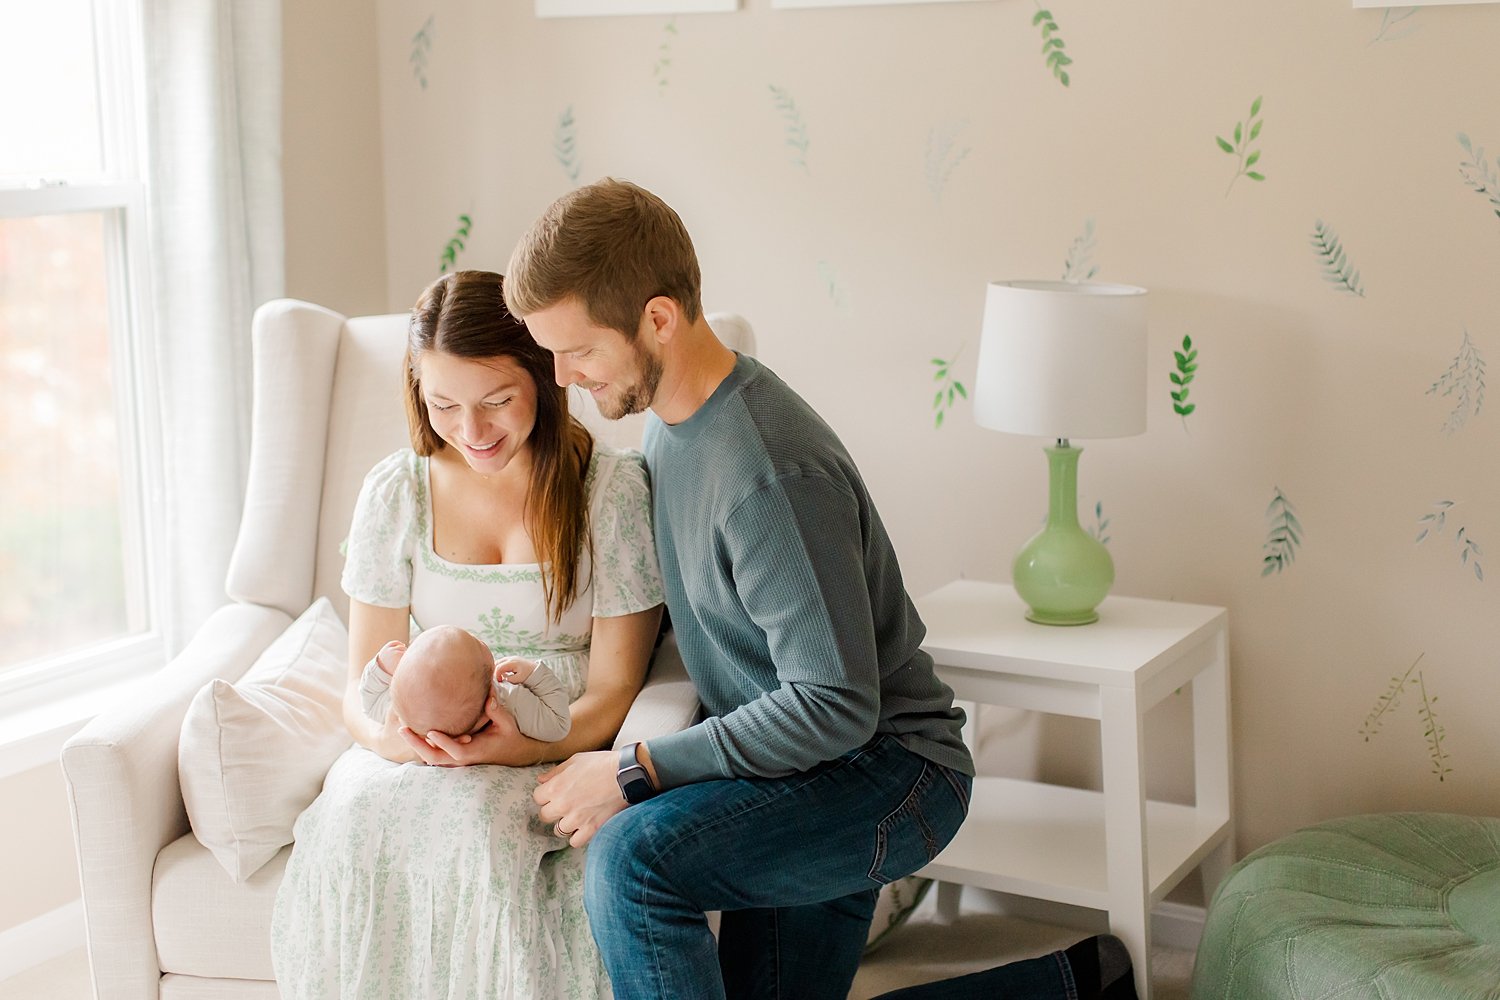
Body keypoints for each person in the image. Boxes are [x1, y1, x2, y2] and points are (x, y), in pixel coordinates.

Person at [503, 178, 1140, 1000]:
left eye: (578, 350)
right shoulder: (667, 424)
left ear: (658, 319)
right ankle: (1076, 984)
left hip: (884, 773)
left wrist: (637, 769)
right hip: (793, 768)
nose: (560, 377)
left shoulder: (768, 471)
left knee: (633, 861)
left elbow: (836, 704)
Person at [270, 269, 665, 1000]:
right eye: (443, 404)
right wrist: (398, 744)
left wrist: (529, 745)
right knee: (358, 817)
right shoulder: (397, 491)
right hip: (417, 737)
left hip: (553, 731)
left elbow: (615, 690)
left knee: (480, 831)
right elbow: (361, 688)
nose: (472, 431)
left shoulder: (609, 492)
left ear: (544, 379)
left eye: (496, 402)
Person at [358, 625, 572, 744]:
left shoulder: (405, 714)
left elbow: (369, 704)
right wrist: (533, 673)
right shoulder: (510, 700)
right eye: (477, 642)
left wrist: (380, 668)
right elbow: (559, 724)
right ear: (492, 692)